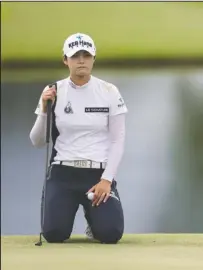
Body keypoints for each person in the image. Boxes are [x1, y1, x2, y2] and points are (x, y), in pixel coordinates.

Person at [29, 33, 128, 244]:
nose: (81, 60)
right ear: (66, 60)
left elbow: (117, 140)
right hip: (63, 173)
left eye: (86, 55)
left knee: (111, 234)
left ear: (94, 59)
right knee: (54, 235)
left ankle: (95, 223)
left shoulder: (109, 91)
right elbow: (37, 141)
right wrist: (45, 109)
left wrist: (106, 180)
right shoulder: (53, 91)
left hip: (97, 175)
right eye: (75, 56)